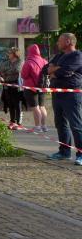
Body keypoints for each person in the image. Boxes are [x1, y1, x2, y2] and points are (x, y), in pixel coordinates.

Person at [46, 33, 82, 164]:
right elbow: (46, 69)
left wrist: (55, 70)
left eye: (60, 41)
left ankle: (80, 154)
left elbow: (66, 71)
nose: (57, 43)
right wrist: (54, 70)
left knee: (75, 125)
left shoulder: (77, 55)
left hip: (71, 94)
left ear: (68, 42)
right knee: (60, 123)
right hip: (57, 93)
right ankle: (64, 151)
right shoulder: (59, 56)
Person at [21, 43, 48, 132]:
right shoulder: (44, 61)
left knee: (35, 107)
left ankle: (37, 127)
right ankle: (44, 126)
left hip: (31, 87)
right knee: (42, 106)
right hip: (42, 86)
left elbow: (24, 75)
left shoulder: (28, 62)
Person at [0, 47, 23, 130]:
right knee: (10, 104)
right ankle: (12, 121)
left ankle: (19, 123)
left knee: (17, 104)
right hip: (7, 84)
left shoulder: (20, 62)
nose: (8, 54)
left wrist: (7, 73)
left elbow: (17, 70)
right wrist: (5, 74)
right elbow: (2, 71)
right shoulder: (7, 62)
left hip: (16, 85)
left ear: (14, 54)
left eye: (10, 53)